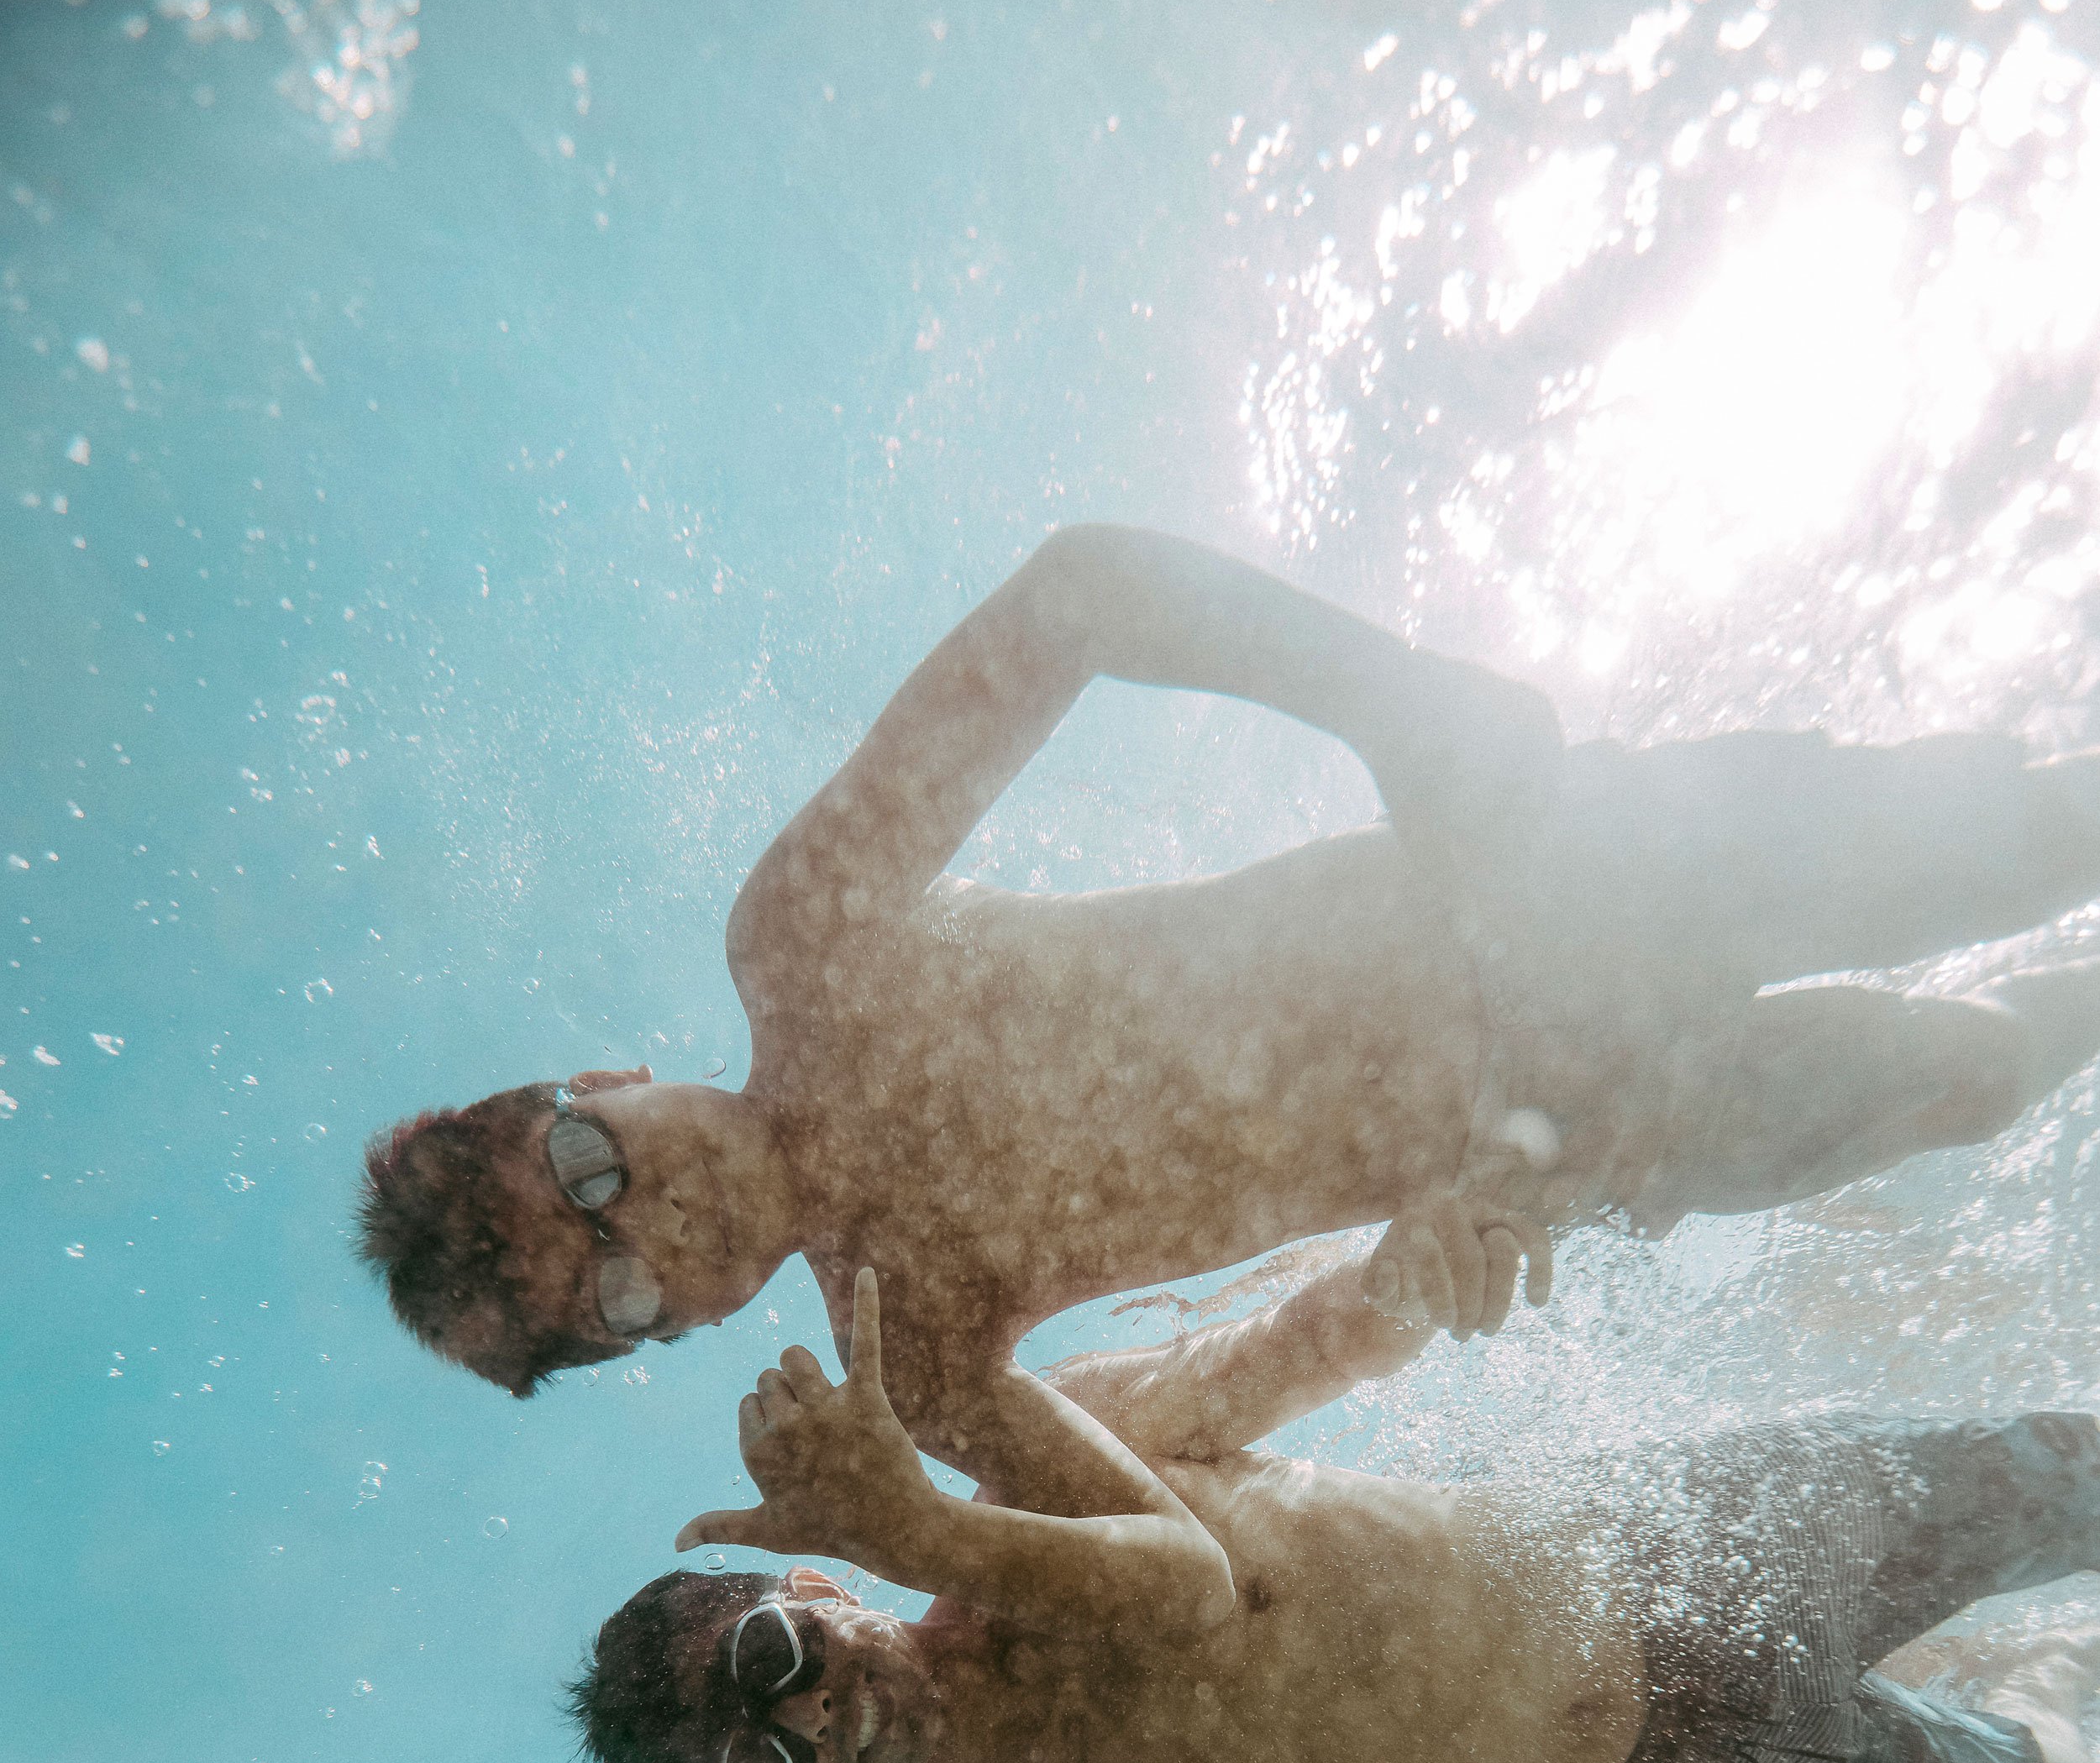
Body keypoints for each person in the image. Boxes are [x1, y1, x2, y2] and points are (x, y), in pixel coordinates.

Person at [356, 523, 2100, 1473]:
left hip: (1547, 877)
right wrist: (1404, 1290)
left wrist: (1399, 702)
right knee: (1977, 1079)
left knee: (2025, 838)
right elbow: (1199, 1442)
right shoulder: (923, 1364)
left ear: (601, 1073)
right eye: (612, 1291)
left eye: (587, 1169)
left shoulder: (802, 949)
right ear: (670, 1335)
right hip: (1575, 1145)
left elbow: (1079, 595)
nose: (642, 1217)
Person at [571, 1247, 2100, 1763]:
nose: (821, 1725)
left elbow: (1293, 1352)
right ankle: (2030, 1698)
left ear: (819, 1588)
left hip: (1653, 1544)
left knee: (2061, 1481)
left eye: (774, 1667)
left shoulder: (1047, 1458)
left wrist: (1439, 1248)